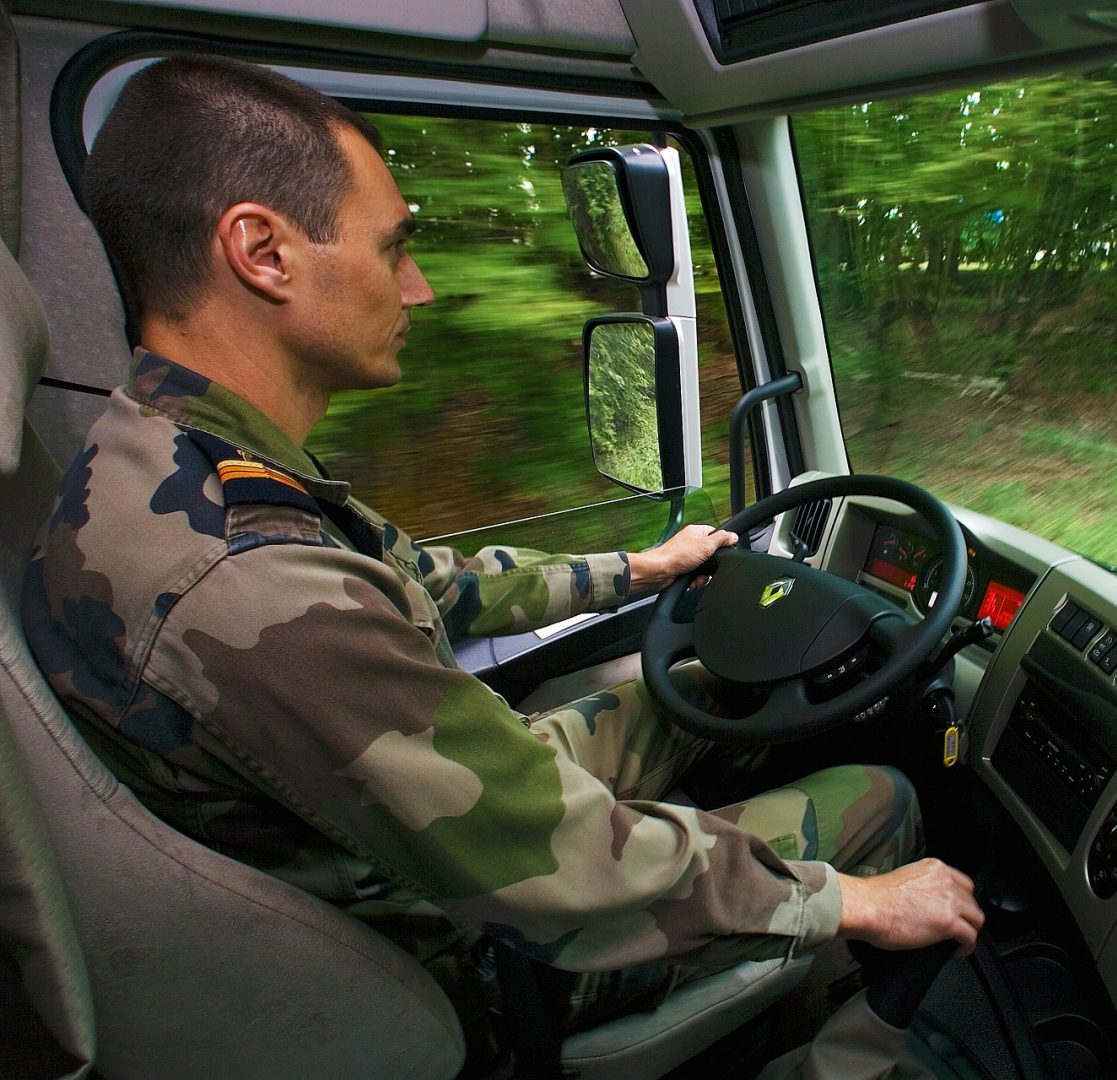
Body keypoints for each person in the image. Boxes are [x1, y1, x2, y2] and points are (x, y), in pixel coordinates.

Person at [21, 55, 981, 1046]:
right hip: (464, 949)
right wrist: (853, 901)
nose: (421, 288)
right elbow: (565, 863)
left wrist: (637, 571)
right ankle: (848, 1053)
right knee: (882, 799)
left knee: (699, 687)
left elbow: (421, 582)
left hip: (406, 831)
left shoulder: (160, 454)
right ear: (262, 251)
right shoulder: (243, 580)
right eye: (394, 248)